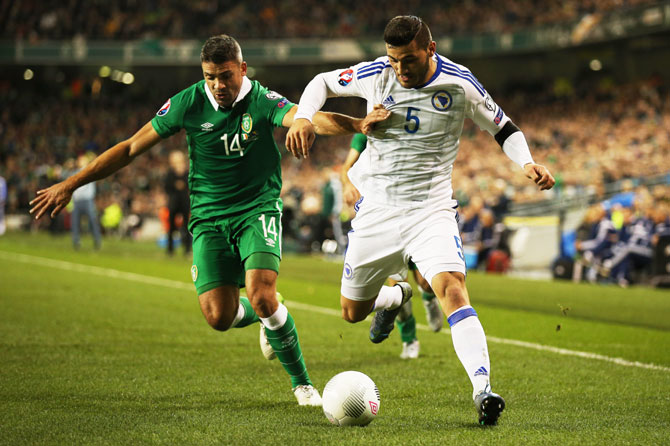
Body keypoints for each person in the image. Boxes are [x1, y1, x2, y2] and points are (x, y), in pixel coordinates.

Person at [30, 34, 385, 407]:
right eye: (210, 76)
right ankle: (268, 313)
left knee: (261, 294)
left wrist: (358, 124)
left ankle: (303, 387)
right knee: (219, 317)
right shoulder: (188, 101)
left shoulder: (262, 100)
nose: (218, 85)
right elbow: (131, 148)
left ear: (242, 69)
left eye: (225, 76)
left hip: (256, 210)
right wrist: (72, 183)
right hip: (208, 218)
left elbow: (308, 118)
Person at [286, 16, 555, 425]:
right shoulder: (375, 74)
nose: (400, 69)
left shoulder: (459, 83)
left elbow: (504, 127)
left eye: (408, 60)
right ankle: (394, 297)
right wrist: (305, 117)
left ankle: (483, 390)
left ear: (429, 50)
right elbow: (322, 83)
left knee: (452, 288)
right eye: (394, 60)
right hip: (377, 209)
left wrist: (528, 162)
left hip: (430, 209)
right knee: (351, 313)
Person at [341, 133, 444, 360]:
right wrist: (347, 183)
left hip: (416, 214)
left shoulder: (414, 127)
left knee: (426, 281)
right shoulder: (365, 134)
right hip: (383, 220)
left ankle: (429, 299)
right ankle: (409, 339)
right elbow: (346, 166)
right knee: (397, 283)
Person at [70, 153, 102, 250]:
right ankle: (76, 241)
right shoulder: (75, 172)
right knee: (75, 222)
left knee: (92, 221)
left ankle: (97, 240)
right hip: (77, 200)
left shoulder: (89, 171)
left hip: (87, 200)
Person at [165, 150, 191, 255]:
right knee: (171, 227)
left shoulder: (186, 172)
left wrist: (180, 185)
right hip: (173, 202)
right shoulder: (170, 173)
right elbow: (167, 187)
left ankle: (187, 249)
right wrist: (176, 185)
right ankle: (170, 249)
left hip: (184, 202)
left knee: (186, 227)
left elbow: (190, 185)